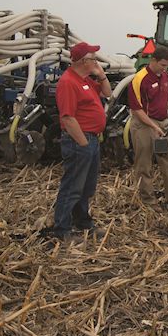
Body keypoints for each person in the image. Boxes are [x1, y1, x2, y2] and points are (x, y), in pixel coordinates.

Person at [52, 42, 112, 240]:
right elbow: (68, 117)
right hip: (80, 140)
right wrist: (83, 143)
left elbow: (108, 92)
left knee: (86, 187)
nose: (96, 61)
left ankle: (83, 222)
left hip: (91, 139)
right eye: (93, 58)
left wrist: (101, 74)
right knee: (72, 187)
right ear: (84, 61)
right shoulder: (68, 82)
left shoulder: (84, 80)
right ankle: (62, 230)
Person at [128, 46, 168, 209]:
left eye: (167, 66)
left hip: (162, 124)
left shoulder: (165, 77)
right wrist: (153, 126)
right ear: (153, 60)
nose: (165, 68)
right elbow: (137, 110)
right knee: (144, 163)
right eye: (162, 65)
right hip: (144, 125)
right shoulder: (140, 79)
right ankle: (148, 201)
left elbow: (166, 100)